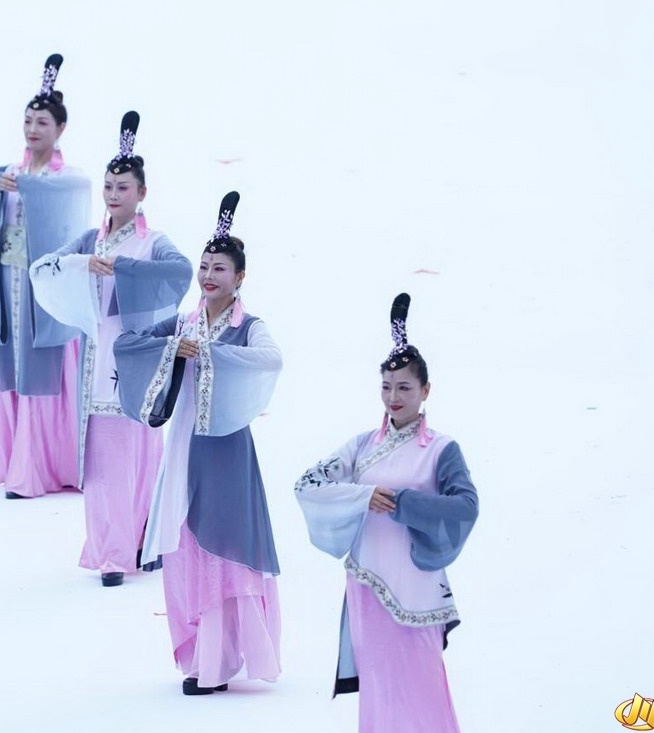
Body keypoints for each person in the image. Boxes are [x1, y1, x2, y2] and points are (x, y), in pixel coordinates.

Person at [113, 192, 284, 695]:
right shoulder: (184, 323)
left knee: (224, 548)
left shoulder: (249, 327)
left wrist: (208, 355)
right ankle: (201, 658)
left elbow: (270, 360)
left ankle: (221, 663)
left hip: (228, 452)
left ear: (240, 277)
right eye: (205, 266)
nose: (208, 275)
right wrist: (173, 348)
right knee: (188, 545)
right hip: (185, 449)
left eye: (220, 268)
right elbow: (129, 342)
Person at [293, 293, 478, 733]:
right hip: (367, 583)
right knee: (379, 686)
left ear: (426, 390)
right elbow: (307, 484)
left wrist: (402, 503)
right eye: (387, 387)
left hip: (416, 586)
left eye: (404, 388)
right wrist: (362, 496)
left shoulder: (441, 449)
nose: (393, 397)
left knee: (422, 687)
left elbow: (466, 507)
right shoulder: (362, 445)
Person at [29, 112, 191, 587]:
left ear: (142, 193)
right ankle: (110, 553)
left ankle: (142, 543)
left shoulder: (154, 242)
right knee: (104, 463)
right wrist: (84, 264)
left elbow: (180, 274)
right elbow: (44, 268)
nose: (114, 195)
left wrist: (123, 270)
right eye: (108, 187)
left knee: (142, 455)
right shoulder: (91, 240)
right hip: (98, 362)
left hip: (138, 359)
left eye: (123, 187)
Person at [0, 53, 90, 499]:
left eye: (42, 122)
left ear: (60, 128)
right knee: (12, 365)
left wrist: (29, 188)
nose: (32, 129)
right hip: (9, 285)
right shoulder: (9, 173)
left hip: (44, 291)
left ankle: (44, 469)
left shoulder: (68, 178)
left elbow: (74, 200)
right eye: (27, 120)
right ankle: (18, 463)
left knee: (46, 367)